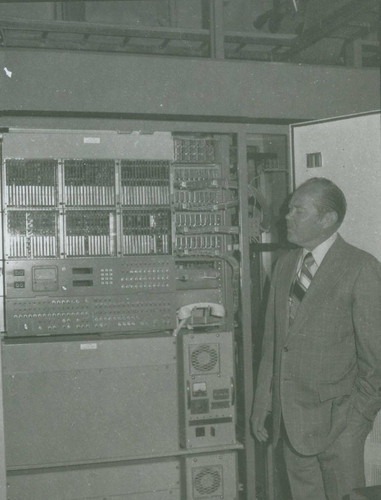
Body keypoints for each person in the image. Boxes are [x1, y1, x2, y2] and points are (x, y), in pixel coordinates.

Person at [251, 177, 381, 500]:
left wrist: (355, 425)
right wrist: (261, 405)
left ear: (327, 219)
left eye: (298, 209)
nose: (286, 216)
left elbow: (376, 362)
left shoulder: (361, 268)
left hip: (339, 427)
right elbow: (272, 345)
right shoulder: (283, 266)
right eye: (290, 208)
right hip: (291, 425)